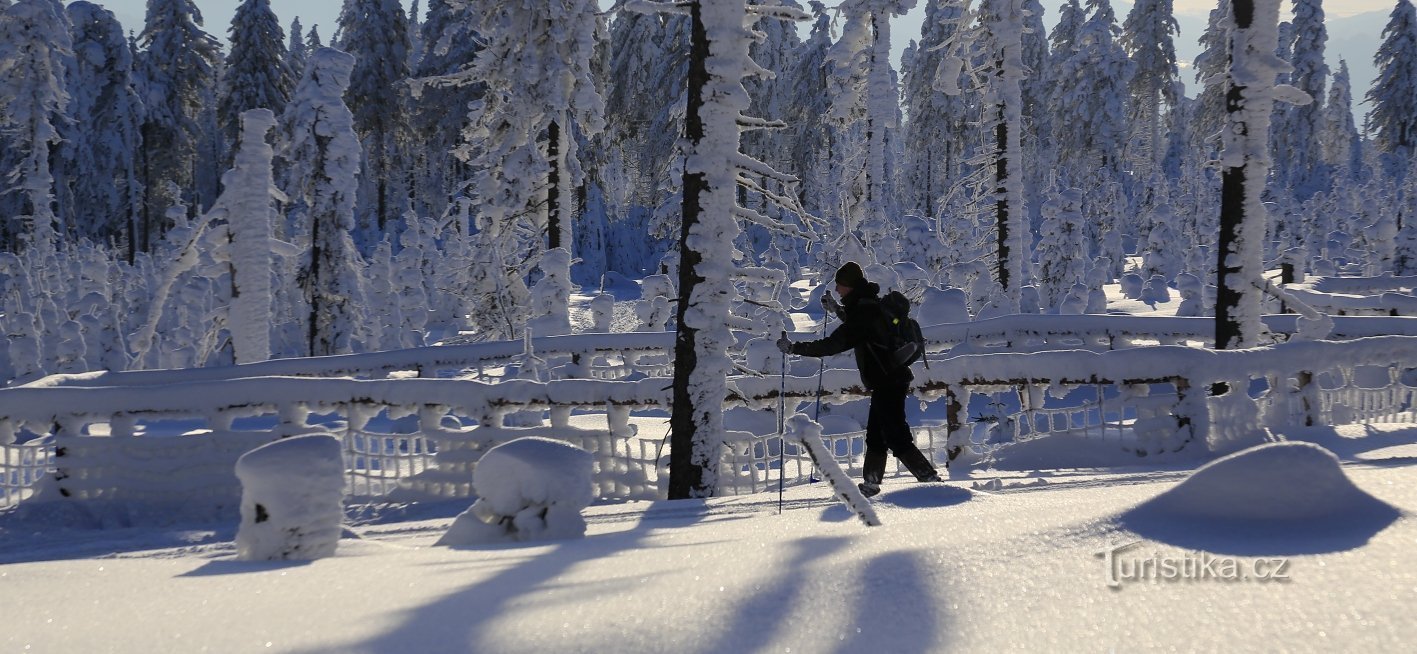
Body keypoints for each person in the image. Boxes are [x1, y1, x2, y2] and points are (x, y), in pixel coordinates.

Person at [777, 262, 941, 498]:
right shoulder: (867, 305)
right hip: (888, 380)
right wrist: (837, 309)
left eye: (840, 285)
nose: (837, 289)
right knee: (876, 435)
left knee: (896, 436)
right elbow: (860, 327)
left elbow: (835, 343)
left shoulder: (864, 311)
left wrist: (795, 348)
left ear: (850, 285)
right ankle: (871, 484)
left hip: (888, 381)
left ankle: (930, 480)